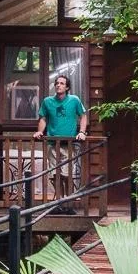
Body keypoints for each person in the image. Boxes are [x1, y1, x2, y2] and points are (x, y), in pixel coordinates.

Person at [34, 73, 87, 205]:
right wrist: (40, 131)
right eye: (57, 83)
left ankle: (68, 203)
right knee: (55, 175)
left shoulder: (74, 100)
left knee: (67, 174)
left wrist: (82, 131)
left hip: (68, 144)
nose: (58, 85)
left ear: (67, 87)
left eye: (62, 83)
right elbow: (43, 118)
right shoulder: (47, 101)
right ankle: (59, 203)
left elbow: (83, 116)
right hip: (52, 143)